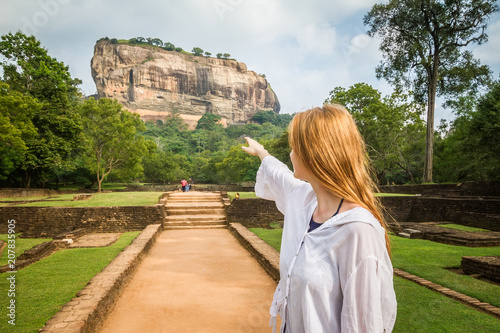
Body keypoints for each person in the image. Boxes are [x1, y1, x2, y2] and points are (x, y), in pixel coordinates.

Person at [242, 104, 397, 333]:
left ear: (314, 155)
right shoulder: (304, 200)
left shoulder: (357, 231)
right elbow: (278, 174)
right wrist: (262, 152)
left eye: (295, 148)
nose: (291, 154)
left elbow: (362, 325)